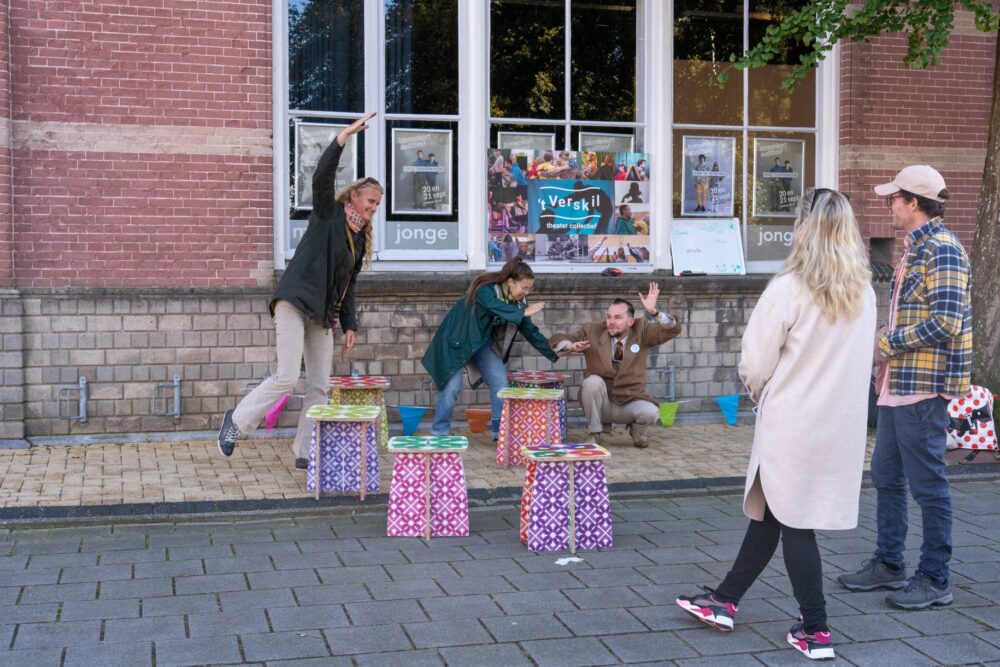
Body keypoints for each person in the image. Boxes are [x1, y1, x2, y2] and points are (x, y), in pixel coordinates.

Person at [675, 188, 876, 661]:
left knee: (794, 522)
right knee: (772, 510)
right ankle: (725, 599)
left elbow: (755, 363)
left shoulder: (789, 288)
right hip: (839, 425)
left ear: (803, 228)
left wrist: (759, 393)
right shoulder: (863, 292)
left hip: (792, 420)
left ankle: (816, 628)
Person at [837, 165, 972, 610]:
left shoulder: (942, 249)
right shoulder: (916, 248)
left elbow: (947, 321)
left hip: (923, 386)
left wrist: (888, 343)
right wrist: (885, 338)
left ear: (914, 202)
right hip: (899, 383)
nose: (888, 206)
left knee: (927, 484)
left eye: (893, 198)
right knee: (887, 475)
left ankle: (935, 577)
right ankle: (890, 563)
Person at [217, 112, 380, 469]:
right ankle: (236, 422)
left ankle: (305, 450)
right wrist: (343, 138)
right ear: (354, 196)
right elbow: (322, 177)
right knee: (287, 377)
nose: (372, 208)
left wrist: (349, 324)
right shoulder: (327, 214)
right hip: (294, 303)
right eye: (369, 201)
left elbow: (349, 284)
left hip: (322, 316)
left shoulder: (358, 240)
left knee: (320, 385)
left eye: (377, 205)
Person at [422, 257, 560, 439]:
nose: (526, 292)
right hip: (457, 341)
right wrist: (522, 312)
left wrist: (556, 351)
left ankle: (500, 433)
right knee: (451, 389)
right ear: (510, 282)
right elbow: (492, 305)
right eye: (524, 287)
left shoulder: (518, 303)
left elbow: (531, 332)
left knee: (500, 384)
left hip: (483, 344)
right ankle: (439, 433)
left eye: (529, 289)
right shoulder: (485, 290)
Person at [549, 284, 681, 448]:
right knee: (592, 382)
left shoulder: (642, 330)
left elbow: (672, 330)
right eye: (609, 317)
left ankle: (637, 432)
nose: (611, 322)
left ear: (631, 321)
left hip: (630, 400)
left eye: (618, 318)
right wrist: (569, 345)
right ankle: (594, 433)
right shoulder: (593, 330)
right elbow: (559, 338)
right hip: (601, 402)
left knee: (651, 412)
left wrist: (655, 313)